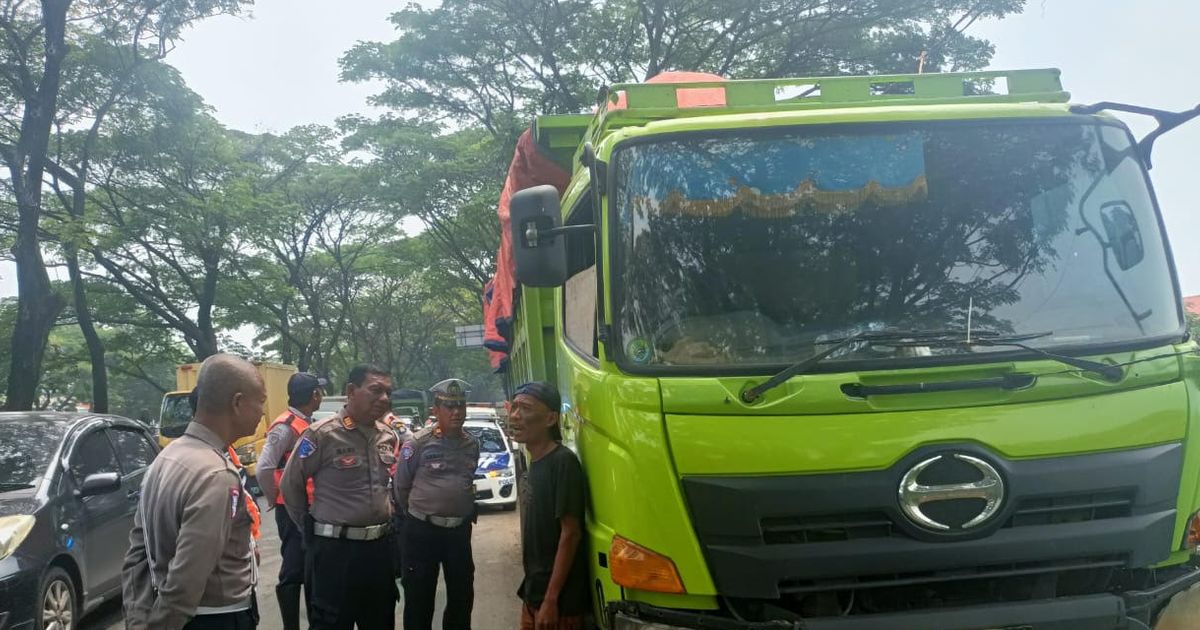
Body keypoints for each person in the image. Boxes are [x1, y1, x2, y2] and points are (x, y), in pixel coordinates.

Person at [121, 354, 267, 630]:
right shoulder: (216, 474)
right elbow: (186, 579)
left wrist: (139, 619)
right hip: (213, 619)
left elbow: (137, 555)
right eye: (260, 401)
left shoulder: (167, 457)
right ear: (237, 403)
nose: (262, 411)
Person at [280, 364, 400, 630]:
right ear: (351, 391)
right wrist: (310, 527)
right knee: (332, 621)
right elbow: (291, 486)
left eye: (388, 393)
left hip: (379, 550)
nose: (384, 399)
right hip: (335, 552)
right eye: (376, 390)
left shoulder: (388, 436)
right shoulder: (322, 435)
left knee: (381, 619)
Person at [394, 378, 481, 630]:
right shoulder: (418, 443)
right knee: (420, 599)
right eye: (449, 406)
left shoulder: (471, 443)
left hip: (459, 532)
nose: (456, 412)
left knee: (462, 596)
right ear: (435, 410)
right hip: (423, 532)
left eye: (460, 406)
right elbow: (401, 487)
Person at [507, 382, 588, 630]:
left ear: (551, 418)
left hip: (558, 603)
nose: (515, 416)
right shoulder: (536, 460)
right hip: (534, 592)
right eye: (515, 407)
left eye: (526, 408)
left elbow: (570, 533)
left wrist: (551, 600)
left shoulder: (563, 463)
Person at [254, 372, 327, 630]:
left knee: (309, 567)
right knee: (294, 569)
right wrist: (275, 497)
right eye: (320, 392)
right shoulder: (285, 426)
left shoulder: (305, 423)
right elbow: (264, 468)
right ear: (314, 395)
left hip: (307, 506)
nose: (322, 396)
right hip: (291, 507)